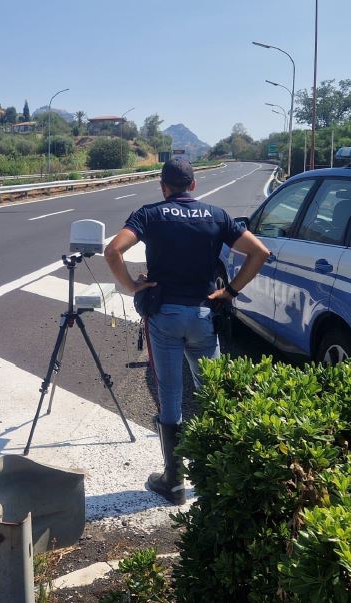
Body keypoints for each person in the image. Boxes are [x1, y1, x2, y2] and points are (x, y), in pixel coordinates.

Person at [104, 159, 270, 504]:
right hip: (203, 313)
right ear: (193, 185)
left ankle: (174, 482)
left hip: (164, 315)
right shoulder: (217, 215)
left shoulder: (149, 214)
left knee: (170, 395)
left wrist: (132, 286)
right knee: (212, 392)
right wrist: (230, 291)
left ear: (163, 186)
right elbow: (259, 252)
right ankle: (218, 476)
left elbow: (113, 251)